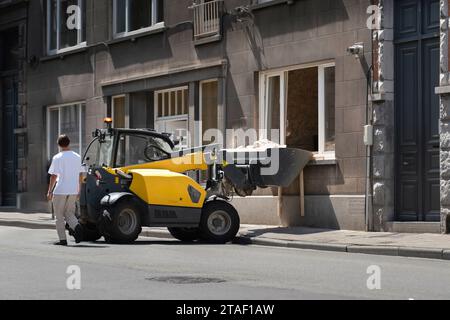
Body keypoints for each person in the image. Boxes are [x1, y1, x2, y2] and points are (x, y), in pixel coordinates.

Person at [47, 134, 84, 246]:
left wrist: (49, 191)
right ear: (69, 143)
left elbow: (53, 176)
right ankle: (77, 227)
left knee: (59, 216)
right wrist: (79, 190)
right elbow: (80, 175)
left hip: (60, 190)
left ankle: (62, 240)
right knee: (69, 213)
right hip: (73, 190)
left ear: (59, 145)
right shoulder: (77, 156)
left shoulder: (57, 157)